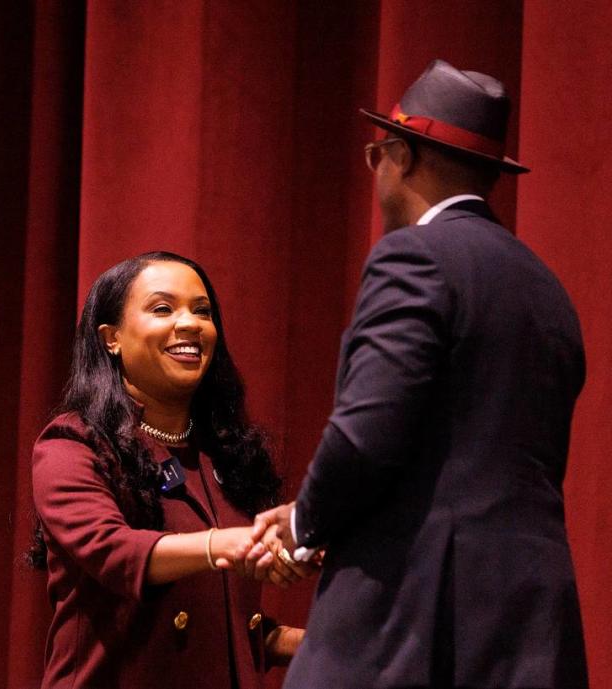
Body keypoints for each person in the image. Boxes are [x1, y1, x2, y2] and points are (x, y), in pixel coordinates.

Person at [246, 60, 590, 688]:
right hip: (530, 627)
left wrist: (302, 525)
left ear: (399, 156)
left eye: (376, 154)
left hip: (416, 620)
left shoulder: (414, 257)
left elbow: (364, 436)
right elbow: (461, 460)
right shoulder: (547, 289)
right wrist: (323, 512)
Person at [28, 252, 309, 689]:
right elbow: (114, 551)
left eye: (202, 311)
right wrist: (225, 544)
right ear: (111, 338)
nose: (191, 324)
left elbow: (224, 631)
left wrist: (320, 645)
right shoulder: (73, 442)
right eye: (163, 309)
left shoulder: (227, 454)